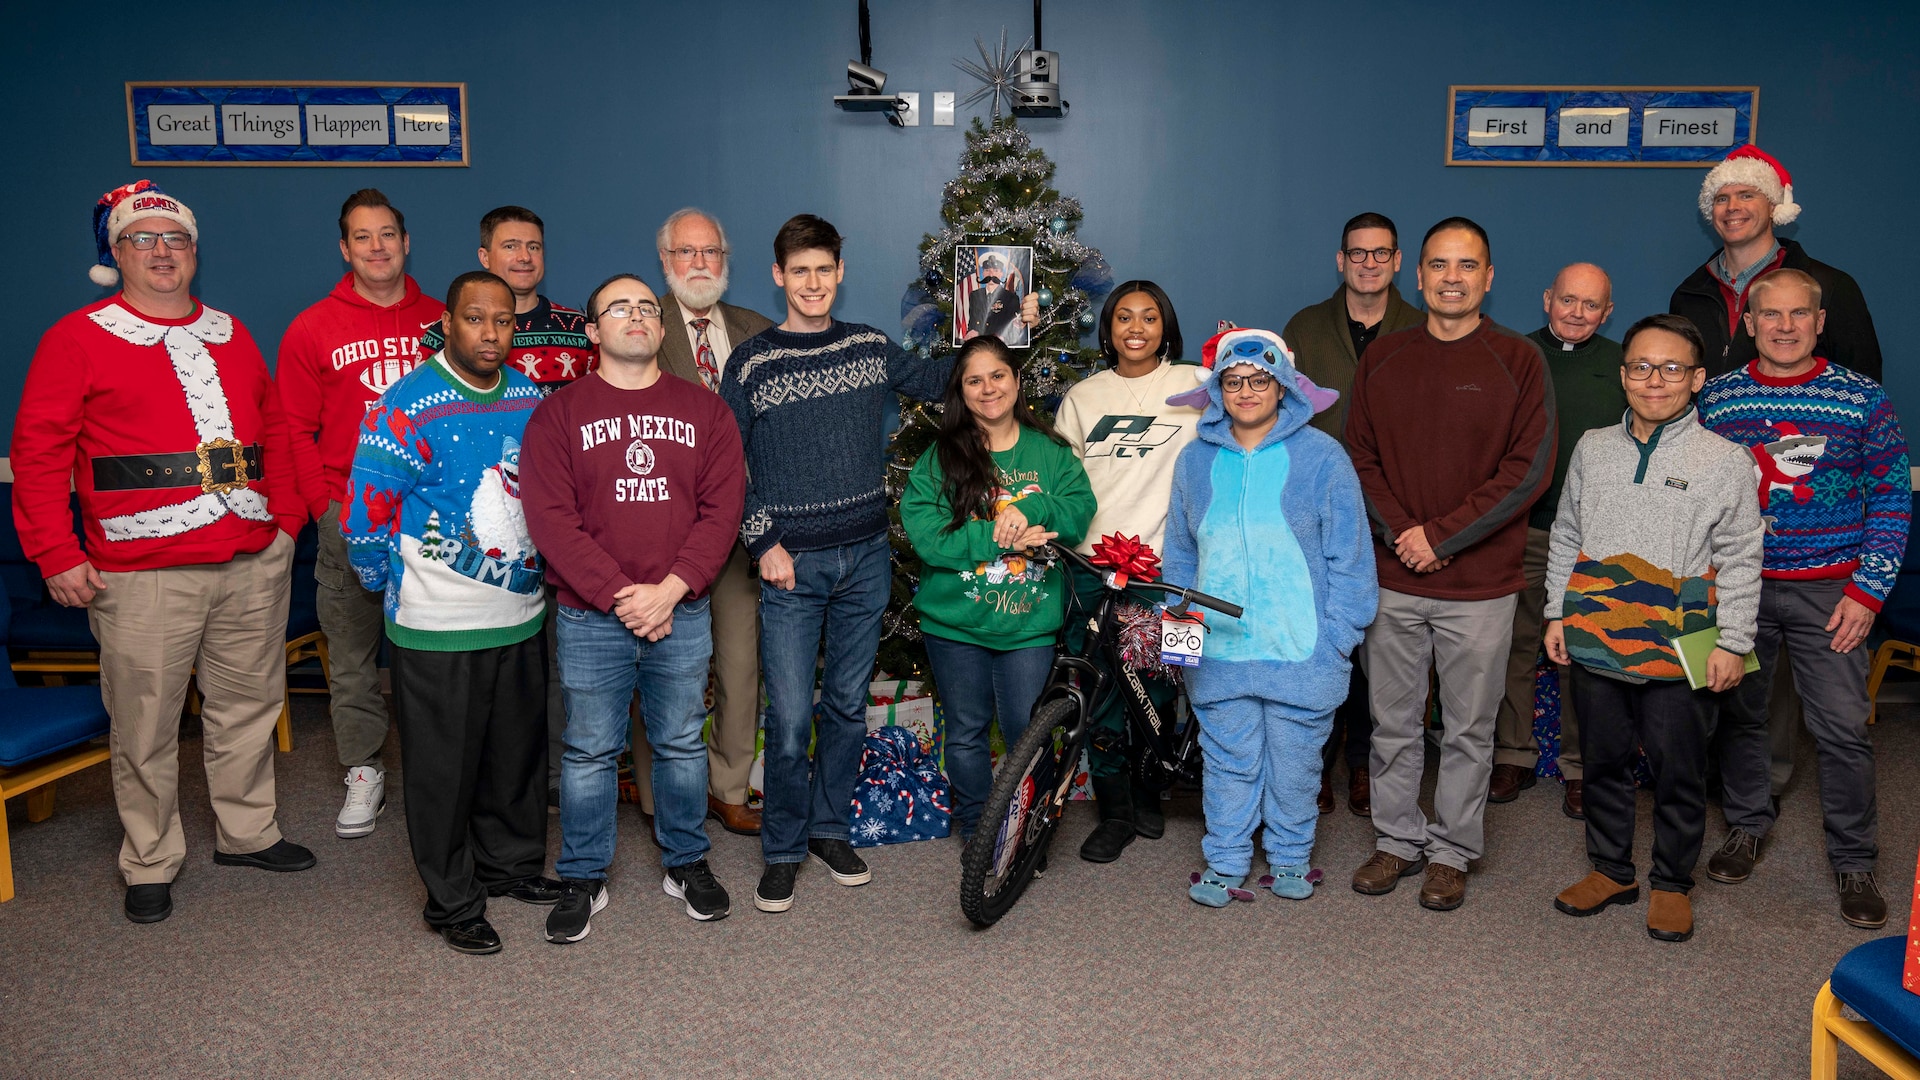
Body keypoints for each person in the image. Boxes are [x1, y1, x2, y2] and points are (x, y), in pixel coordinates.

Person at [12, 180, 313, 923]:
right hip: (140, 573)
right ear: (115, 254)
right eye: (142, 240)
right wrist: (55, 552)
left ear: (195, 252)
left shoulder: (232, 332)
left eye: (175, 239)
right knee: (144, 723)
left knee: (247, 705)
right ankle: (149, 858)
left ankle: (247, 832)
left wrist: (287, 523)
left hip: (249, 558)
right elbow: (40, 451)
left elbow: (275, 429)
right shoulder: (75, 337)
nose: (161, 252)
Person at [720, 215, 1037, 914]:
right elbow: (725, 462)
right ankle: (781, 849)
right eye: (798, 271)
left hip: (864, 556)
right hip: (788, 565)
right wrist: (760, 540)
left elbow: (945, 380)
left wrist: (1009, 315)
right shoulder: (752, 363)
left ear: (839, 272)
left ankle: (830, 829)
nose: (812, 283)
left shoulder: (867, 347)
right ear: (778, 276)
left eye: (823, 270)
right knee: (793, 717)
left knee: (843, 706)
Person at [522, 272, 747, 933]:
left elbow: (722, 510)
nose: (637, 316)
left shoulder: (705, 410)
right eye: (619, 308)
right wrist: (625, 597)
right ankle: (583, 876)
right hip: (592, 616)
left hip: (681, 609)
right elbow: (551, 519)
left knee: (680, 742)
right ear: (593, 331)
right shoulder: (558, 414)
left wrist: (671, 590)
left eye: (647, 307)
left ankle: (687, 862)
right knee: (590, 749)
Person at [1345, 217, 1555, 912]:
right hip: (1395, 576)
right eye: (1439, 265)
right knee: (1394, 721)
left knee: (1468, 727)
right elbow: (1360, 457)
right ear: (1419, 274)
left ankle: (1452, 850)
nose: (1452, 277)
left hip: (1481, 585)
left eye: (1467, 266)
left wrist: (1442, 536)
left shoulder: (1519, 359)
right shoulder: (1384, 357)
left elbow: (1527, 472)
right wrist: (1405, 533)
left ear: (1488, 277)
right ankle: (1398, 841)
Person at [344, 271, 552, 955]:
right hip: (438, 624)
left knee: (514, 756)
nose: (490, 333)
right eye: (474, 319)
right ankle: (452, 899)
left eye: (502, 320)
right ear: (448, 322)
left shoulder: (527, 393)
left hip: (519, 610)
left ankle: (511, 865)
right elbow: (367, 515)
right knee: (443, 769)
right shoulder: (406, 402)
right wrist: (389, 584)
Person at [1697, 268, 1911, 929]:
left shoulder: (1863, 399)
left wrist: (1869, 593)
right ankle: (1747, 825)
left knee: (1843, 729)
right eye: (1771, 314)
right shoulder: (1718, 402)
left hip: (1833, 593)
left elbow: (1893, 498)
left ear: (1819, 322)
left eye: (1799, 314)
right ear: (1750, 323)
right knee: (1743, 717)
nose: (1785, 326)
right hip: (1741, 590)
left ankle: (1854, 859)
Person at [1543, 314, 1763, 944]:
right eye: (1640, 366)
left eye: (1671, 369)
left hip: (1683, 644)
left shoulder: (1726, 461)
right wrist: (1558, 611)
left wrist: (1733, 643)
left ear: (1696, 379)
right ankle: (1611, 870)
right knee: (1602, 762)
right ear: (1623, 374)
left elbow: (1744, 558)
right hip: (1596, 635)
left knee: (1678, 769)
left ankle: (1671, 882)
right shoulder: (1592, 446)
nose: (1654, 380)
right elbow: (1567, 533)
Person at [1160, 329, 1377, 906]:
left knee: (1296, 766)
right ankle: (1226, 860)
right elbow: (1181, 550)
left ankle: (1289, 858)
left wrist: (1339, 638)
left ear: (1283, 387)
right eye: (1234, 382)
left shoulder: (1323, 458)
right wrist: (1179, 623)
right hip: (1220, 651)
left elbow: (1351, 555)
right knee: (1228, 762)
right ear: (1217, 390)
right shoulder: (1194, 461)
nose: (1247, 391)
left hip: (1302, 649)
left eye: (1260, 381)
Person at [416, 205, 598, 810]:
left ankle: (554, 774)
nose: (524, 257)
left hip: (574, 510)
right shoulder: (441, 340)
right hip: (491, 514)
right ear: (484, 257)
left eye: (534, 246)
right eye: (510, 246)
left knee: (549, 658)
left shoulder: (578, 326)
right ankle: (496, 790)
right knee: (496, 669)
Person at [276, 189, 445, 840]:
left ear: (405, 242)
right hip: (349, 510)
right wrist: (324, 505)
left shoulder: (441, 320)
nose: (377, 247)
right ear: (345, 249)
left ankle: (436, 767)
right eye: (362, 237)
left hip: (429, 514)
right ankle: (363, 770)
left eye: (387, 235)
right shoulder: (312, 327)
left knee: (432, 650)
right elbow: (292, 427)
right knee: (350, 648)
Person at [901, 335, 1094, 840]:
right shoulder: (940, 457)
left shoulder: (1049, 451)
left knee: (1027, 736)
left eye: (998, 375)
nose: (989, 389)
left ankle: (1030, 835)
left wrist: (1031, 509)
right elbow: (927, 534)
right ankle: (978, 832)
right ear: (961, 392)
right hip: (955, 625)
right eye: (974, 380)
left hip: (1027, 626)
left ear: (1016, 380)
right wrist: (1000, 535)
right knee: (965, 734)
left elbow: (1077, 511)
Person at [1052, 280, 1206, 862]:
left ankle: (1150, 795)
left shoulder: (1194, 387)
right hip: (1093, 566)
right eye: (1122, 317)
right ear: (1108, 328)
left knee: (1160, 685)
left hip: (1165, 568)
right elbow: (1065, 483)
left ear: (1165, 325)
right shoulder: (1083, 397)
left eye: (1148, 317)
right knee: (1099, 690)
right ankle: (1115, 813)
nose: (1135, 327)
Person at [1282, 211, 1424, 817]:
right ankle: (1313, 761)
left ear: (1398, 262)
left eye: (1381, 253)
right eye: (1357, 253)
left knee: (1378, 650)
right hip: (1314, 512)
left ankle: (1365, 765)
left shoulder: (1423, 327)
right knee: (1316, 642)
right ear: (1341, 260)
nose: (1369, 263)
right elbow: (1281, 413)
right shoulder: (1305, 327)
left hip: (1394, 513)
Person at [646, 208, 775, 838]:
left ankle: (729, 788)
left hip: (743, 528)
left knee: (740, 661)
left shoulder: (756, 329)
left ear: (726, 261)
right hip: (666, 530)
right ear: (665, 262)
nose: (700, 264)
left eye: (712, 253)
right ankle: (658, 795)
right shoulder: (644, 324)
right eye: (687, 253)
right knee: (662, 662)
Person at [1489, 263, 1626, 818]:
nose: (1577, 312)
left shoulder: (1624, 364)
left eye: (1591, 305)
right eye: (1568, 300)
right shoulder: (1511, 353)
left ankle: (1579, 765)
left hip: (1593, 535)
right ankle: (1512, 755)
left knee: (1582, 651)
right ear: (1547, 299)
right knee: (1514, 644)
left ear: (1608, 312)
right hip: (1519, 528)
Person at [1670, 145, 1881, 381]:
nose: (1732, 207)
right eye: (1721, 198)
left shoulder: (1830, 286)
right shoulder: (1688, 294)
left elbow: (1863, 383)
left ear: (1773, 206)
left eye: (1747, 195)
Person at [963, 253, 1022, 342]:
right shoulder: (975, 295)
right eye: (987, 270)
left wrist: (1004, 337)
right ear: (983, 273)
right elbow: (972, 321)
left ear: (1001, 274)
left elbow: (1014, 328)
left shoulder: (1011, 298)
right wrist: (971, 331)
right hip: (979, 342)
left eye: (996, 270)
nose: (991, 274)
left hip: (1000, 343)